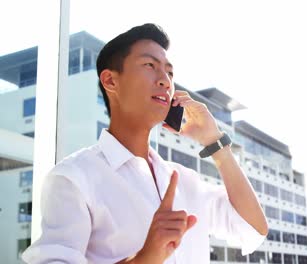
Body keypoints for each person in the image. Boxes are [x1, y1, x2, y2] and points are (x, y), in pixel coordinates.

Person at [22, 23, 268, 264]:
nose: (165, 81)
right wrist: (143, 259)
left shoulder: (185, 180)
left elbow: (254, 229)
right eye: (150, 65)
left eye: (170, 73)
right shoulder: (73, 178)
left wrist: (215, 142)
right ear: (110, 81)